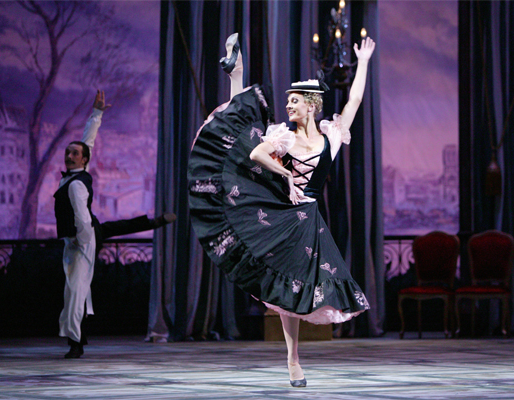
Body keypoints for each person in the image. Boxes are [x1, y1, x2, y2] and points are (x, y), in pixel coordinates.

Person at [188, 33, 375, 386]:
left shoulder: (331, 136)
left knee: (299, 288)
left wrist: (362, 63)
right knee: (242, 136)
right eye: (287, 100)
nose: (288, 106)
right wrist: (285, 173)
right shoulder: (283, 136)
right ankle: (236, 78)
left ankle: (293, 359)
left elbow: (354, 101)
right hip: (278, 213)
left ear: (311, 104)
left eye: (294, 101)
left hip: (309, 222)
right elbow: (257, 154)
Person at [54, 90, 176, 359]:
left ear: (82, 160)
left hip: (82, 238)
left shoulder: (76, 185)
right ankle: (154, 222)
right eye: (68, 152)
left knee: (75, 292)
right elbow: (88, 143)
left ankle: (75, 341)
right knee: (79, 288)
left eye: (74, 153)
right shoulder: (78, 174)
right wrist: (96, 114)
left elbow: (82, 220)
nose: (70, 155)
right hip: (82, 237)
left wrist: (83, 246)